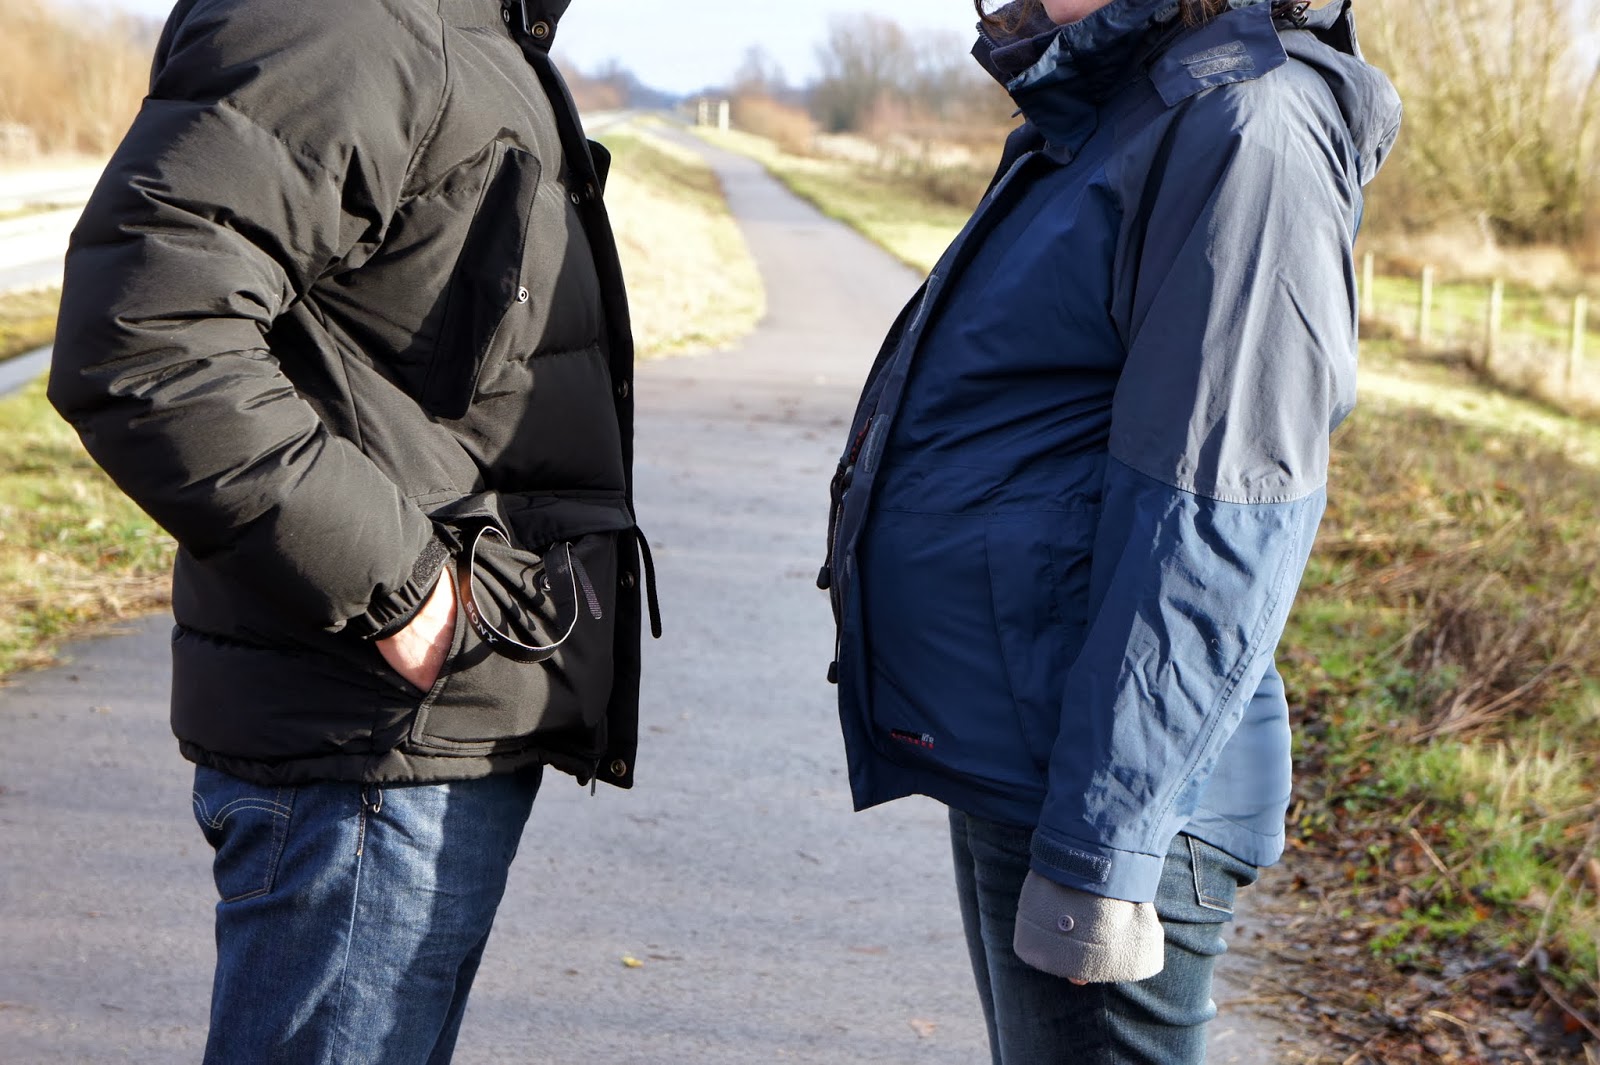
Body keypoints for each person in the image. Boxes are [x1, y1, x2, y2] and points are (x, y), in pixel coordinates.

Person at [48, 0, 658, 1059]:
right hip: (368, 743)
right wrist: (402, 586)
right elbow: (146, 330)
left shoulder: (462, 27)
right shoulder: (350, 19)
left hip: (418, 730)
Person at [820, 0, 1399, 1060]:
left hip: (1113, 791)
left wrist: (1104, 844)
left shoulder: (1248, 128)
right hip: (1036, 751)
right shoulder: (1128, 107)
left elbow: (1213, 521)